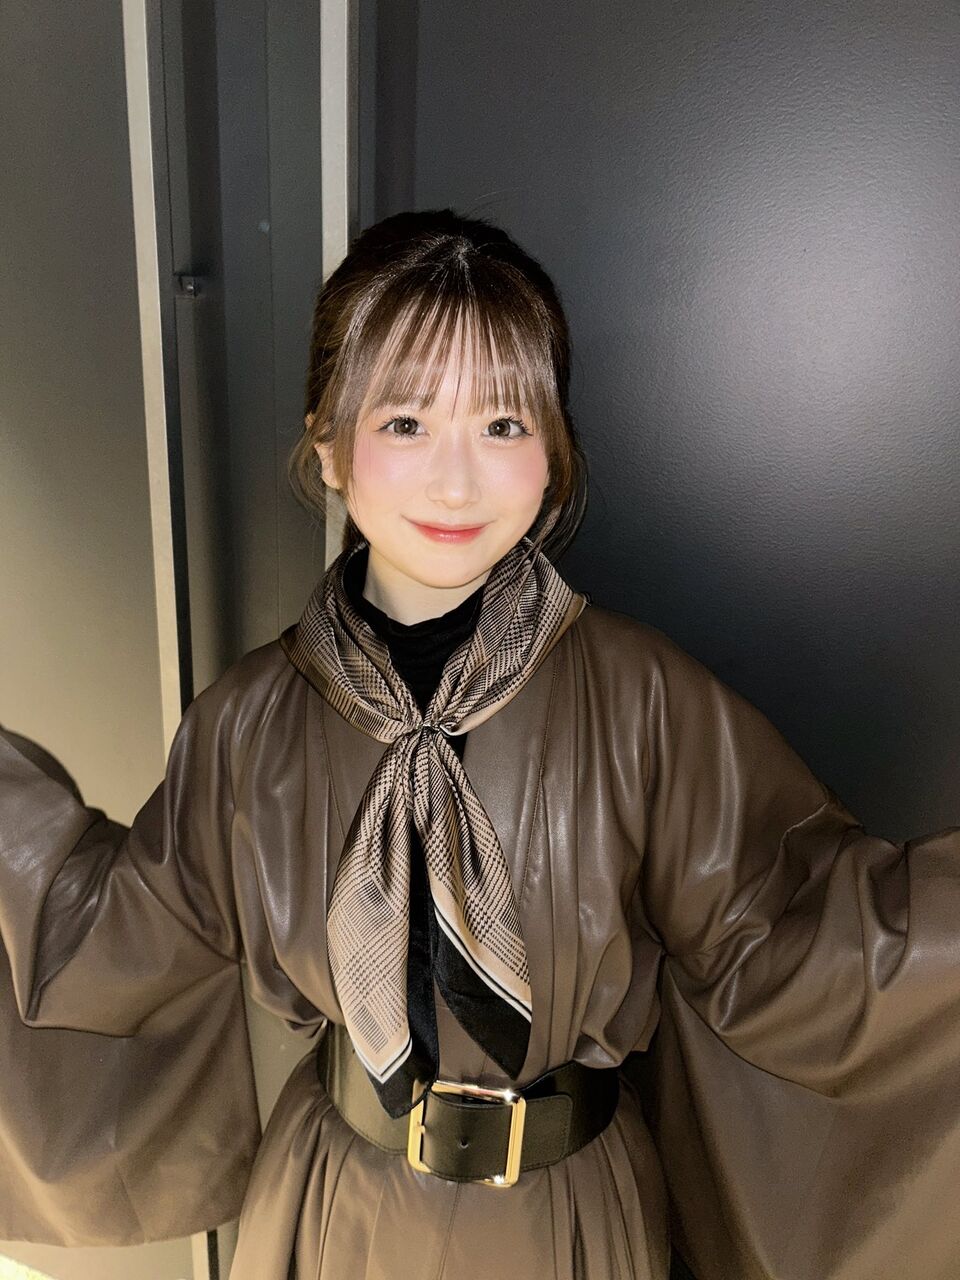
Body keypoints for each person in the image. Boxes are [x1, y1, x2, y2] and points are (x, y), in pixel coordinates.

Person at [1, 207, 959, 1280]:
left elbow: (801, 944)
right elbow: (107, 950)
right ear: (330, 446)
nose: (456, 481)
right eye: (406, 422)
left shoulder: (643, 700)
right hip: (331, 1220)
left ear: (553, 455)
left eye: (503, 424)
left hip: (573, 1223)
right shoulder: (249, 724)